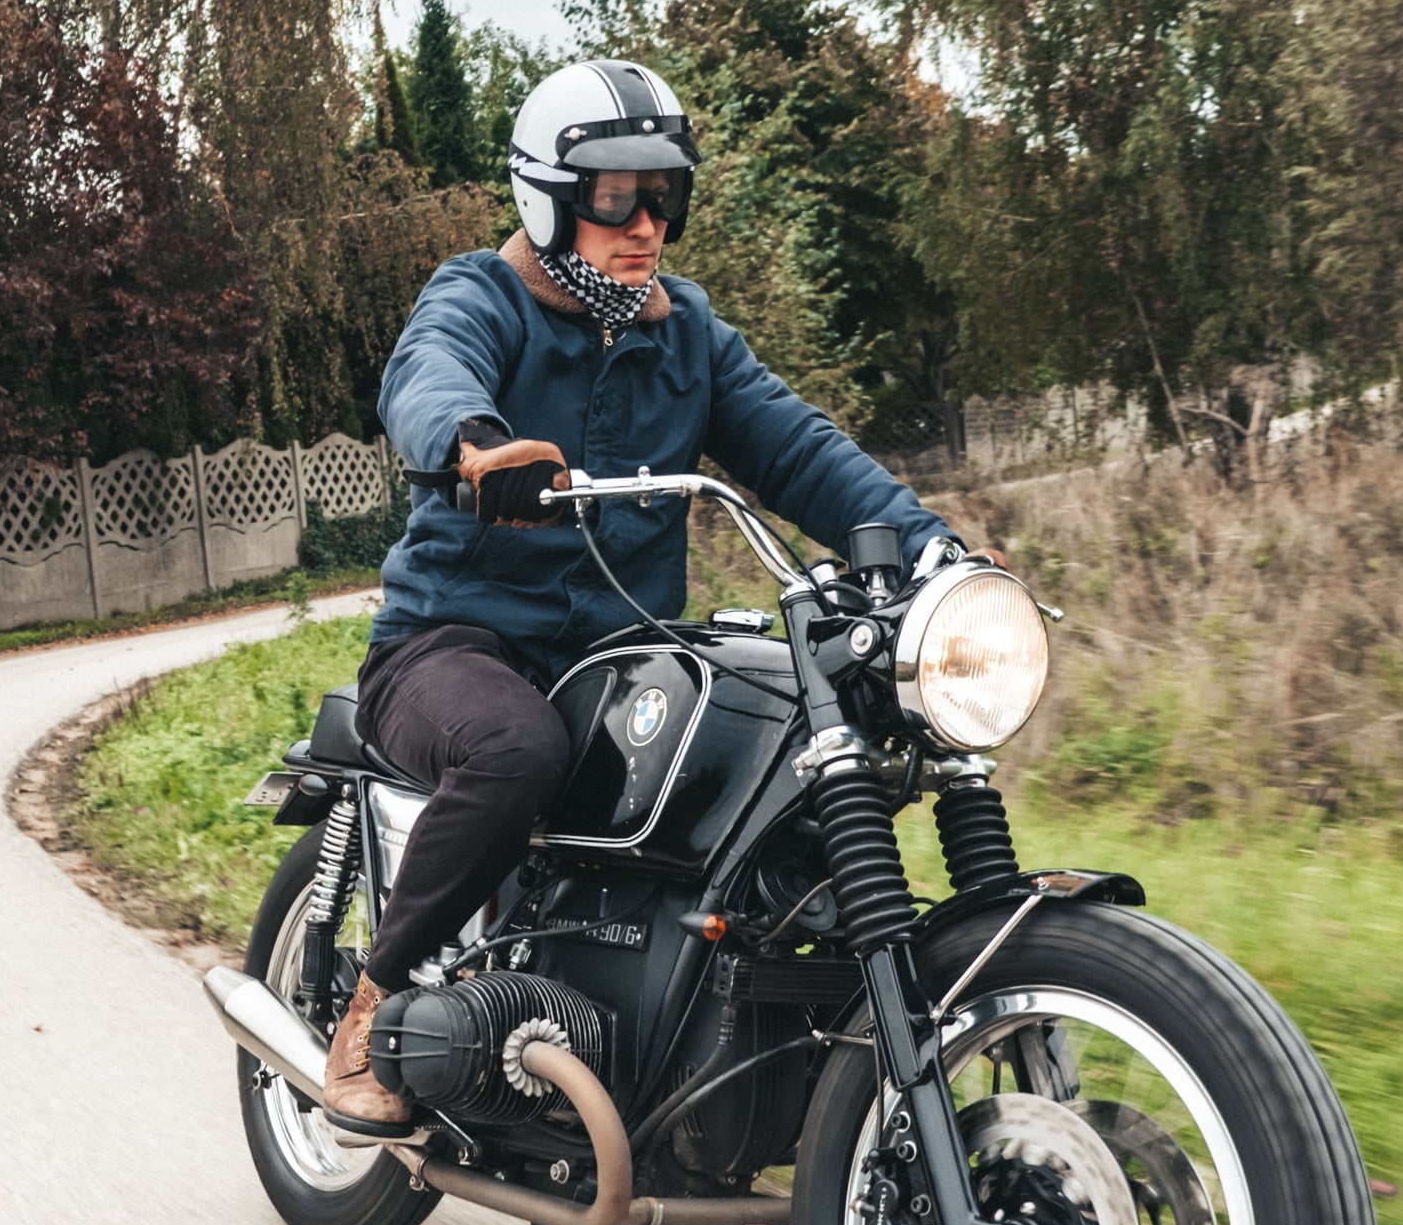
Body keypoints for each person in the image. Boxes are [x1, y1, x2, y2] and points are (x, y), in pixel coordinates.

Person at [321, 58, 975, 1129]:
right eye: (616, 194)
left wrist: (934, 550)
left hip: (618, 655)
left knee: (775, 744)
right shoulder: (481, 294)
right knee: (513, 747)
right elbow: (428, 370)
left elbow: (799, 447)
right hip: (452, 642)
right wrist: (478, 444)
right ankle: (377, 1005)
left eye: (663, 193)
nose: (645, 222)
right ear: (552, 195)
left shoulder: (689, 335)